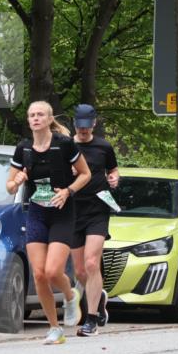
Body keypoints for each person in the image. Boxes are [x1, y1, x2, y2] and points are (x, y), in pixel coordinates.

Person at [7, 101, 91, 345]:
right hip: (37, 213)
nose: (35, 118)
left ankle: (70, 295)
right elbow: (10, 185)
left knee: (54, 270)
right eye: (32, 115)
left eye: (40, 114)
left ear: (49, 118)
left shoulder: (64, 144)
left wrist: (68, 191)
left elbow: (85, 174)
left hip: (62, 212)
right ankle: (55, 328)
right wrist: (19, 180)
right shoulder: (23, 148)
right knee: (40, 274)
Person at [69, 104, 119, 337]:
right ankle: (99, 299)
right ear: (75, 124)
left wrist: (114, 179)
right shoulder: (67, 146)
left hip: (98, 208)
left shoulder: (104, 146)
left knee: (91, 263)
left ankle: (91, 320)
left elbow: (114, 170)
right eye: (80, 127)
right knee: (80, 270)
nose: (84, 131)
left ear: (94, 124)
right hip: (72, 210)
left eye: (87, 127)